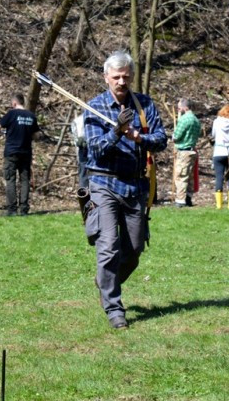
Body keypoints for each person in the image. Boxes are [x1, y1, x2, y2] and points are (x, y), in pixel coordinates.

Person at [84, 50, 167, 329]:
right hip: (103, 184)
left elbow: (161, 140)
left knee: (133, 249)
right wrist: (117, 132)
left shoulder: (144, 105)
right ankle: (114, 308)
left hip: (135, 185)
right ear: (106, 77)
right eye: (116, 77)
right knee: (108, 247)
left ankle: (106, 280)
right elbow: (95, 149)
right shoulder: (94, 107)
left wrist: (137, 136)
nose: (121, 82)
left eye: (126, 77)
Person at [0, 93, 40, 216]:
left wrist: (3, 131)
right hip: (26, 152)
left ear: (14, 103)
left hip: (12, 152)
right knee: (25, 180)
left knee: (11, 179)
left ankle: (12, 209)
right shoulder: (31, 116)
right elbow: (36, 135)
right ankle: (24, 209)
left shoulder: (11, 114)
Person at [172, 98, 201, 207]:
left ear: (185, 107)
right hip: (192, 151)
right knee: (190, 177)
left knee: (181, 176)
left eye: (179, 108)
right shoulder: (196, 120)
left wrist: (173, 136)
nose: (178, 110)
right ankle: (188, 198)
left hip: (183, 152)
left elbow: (177, 136)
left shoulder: (184, 120)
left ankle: (180, 201)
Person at [211, 104, 229, 209]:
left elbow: (213, 135)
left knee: (219, 177)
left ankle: (219, 204)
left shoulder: (216, 122)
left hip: (219, 151)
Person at [71, 113, 89, 189]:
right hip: (83, 151)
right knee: (84, 177)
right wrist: (80, 142)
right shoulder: (77, 121)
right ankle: (84, 196)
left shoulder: (100, 117)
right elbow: (75, 138)